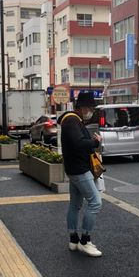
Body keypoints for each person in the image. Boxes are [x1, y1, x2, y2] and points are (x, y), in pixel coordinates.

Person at [58, 91, 103, 257]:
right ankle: (85, 241)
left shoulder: (73, 120)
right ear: (83, 107)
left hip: (74, 168)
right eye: (90, 108)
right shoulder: (72, 121)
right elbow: (78, 143)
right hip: (79, 169)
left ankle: (73, 239)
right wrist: (95, 142)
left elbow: (76, 143)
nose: (91, 111)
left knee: (75, 205)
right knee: (95, 203)